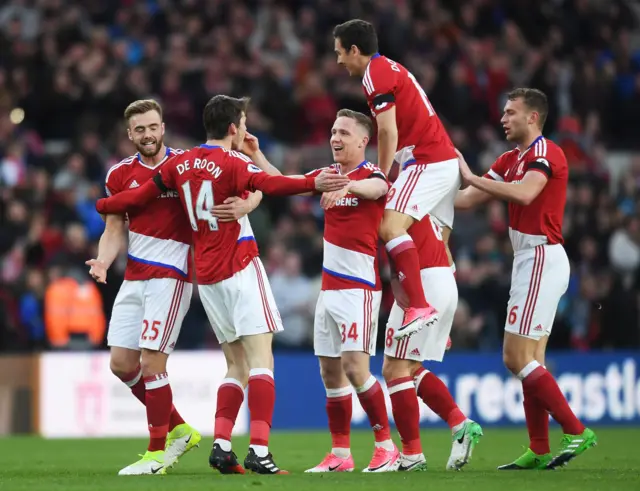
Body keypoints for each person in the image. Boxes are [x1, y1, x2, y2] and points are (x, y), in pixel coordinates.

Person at [95, 95, 350, 475]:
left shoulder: (180, 162)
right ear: (234, 128)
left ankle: (221, 444)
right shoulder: (233, 163)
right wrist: (315, 181)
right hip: (239, 263)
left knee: (235, 366)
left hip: (206, 275)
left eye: (153, 126)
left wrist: (101, 204)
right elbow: (275, 184)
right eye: (244, 123)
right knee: (262, 361)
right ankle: (259, 451)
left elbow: (139, 196)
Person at [455, 88, 597, 470]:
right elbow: (467, 198)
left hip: (540, 256)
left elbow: (526, 194)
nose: (503, 119)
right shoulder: (508, 158)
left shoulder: (546, 152)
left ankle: (576, 430)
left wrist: (473, 177)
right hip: (527, 259)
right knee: (532, 360)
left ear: (533, 117)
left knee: (514, 357)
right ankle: (538, 449)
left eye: (510, 112)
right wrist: (416, 194)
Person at [251, 109, 398, 472]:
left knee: (355, 367)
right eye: (333, 131)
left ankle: (386, 447)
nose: (335, 138)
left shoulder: (370, 174)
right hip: (329, 291)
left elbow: (379, 188)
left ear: (363, 141)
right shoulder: (324, 176)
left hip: (359, 290)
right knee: (330, 373)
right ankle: (341, 455)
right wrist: (255, 154)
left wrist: (347, 186)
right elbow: (282, 181)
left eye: (344, 133)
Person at [86, 99, 218, 475]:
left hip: (171, 276)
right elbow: (113, 229)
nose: (147, 134)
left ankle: (156, 453)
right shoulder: (118, 175)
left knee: (151, 363)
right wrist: (104, 261)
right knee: (121, 364)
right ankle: (180, 429)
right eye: (139, 129)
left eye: (152, 126)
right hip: (134, 277)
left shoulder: (185, 167)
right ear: (130, 135)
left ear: (163, 127)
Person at [333, 19, 460, 340]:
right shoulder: (388, 68)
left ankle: (418, 305)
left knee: (389, 226)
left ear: (354, 50)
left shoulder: (375, 74)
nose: (338, 60)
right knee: (436, 242)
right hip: (441, 159)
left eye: (340, 53)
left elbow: (387, 130)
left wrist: (379, 172)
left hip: (426, 160)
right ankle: (441, 323)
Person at [383, 214, 482, 471]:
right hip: (443, 279)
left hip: (423, 281)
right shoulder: (420, 206)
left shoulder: (390, 199)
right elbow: (447, 254)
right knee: (409, 368)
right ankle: (460, 425)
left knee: (395, 369)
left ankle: (412, 455)